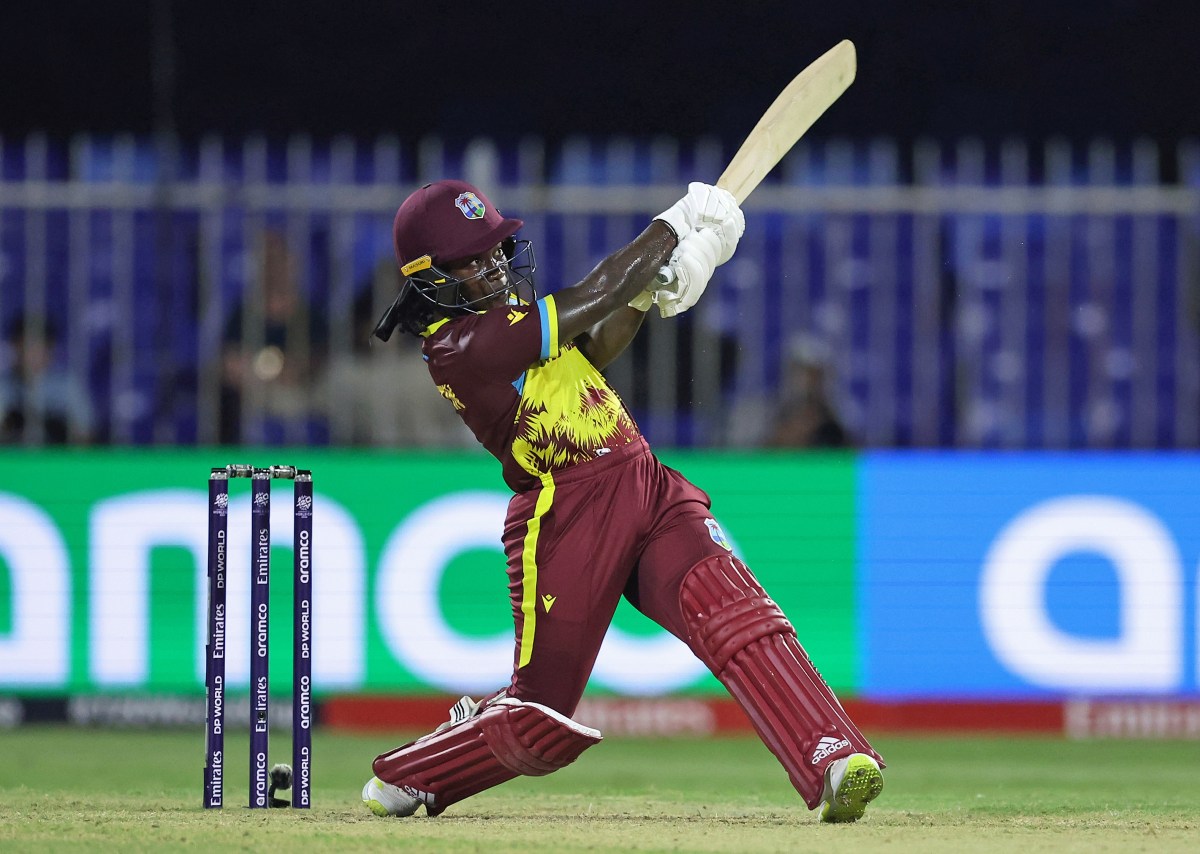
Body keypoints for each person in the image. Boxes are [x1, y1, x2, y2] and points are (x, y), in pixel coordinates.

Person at [361, 179, 884, 823]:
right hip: (565, 513)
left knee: (739, 617)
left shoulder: (514, 324)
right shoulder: (460, 346)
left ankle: (832, 758)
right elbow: (588, 299)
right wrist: (672, 225)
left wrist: (647, 294)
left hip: (643, 479)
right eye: (473, 259)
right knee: (540, 721)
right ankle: (411, 774)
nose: (495, 265)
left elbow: (594, 344)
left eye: (496, 249)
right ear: (430, 278)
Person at [0, 313, 94, 445]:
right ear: (15, 347)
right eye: (26, 345)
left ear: (50, 348)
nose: (32, 353)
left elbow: (86, 433)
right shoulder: (3, 385)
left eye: (38, 346)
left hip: (58, 459)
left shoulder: (66, 384)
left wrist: (59, 429)